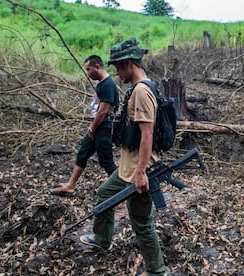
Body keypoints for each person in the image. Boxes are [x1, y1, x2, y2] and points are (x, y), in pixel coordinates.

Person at [79, 38, 167, 276]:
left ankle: (157, 271)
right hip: (127, 168)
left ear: (129, 64)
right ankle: (101, 238)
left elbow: (147, 134)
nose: (117, 73)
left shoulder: (141, 91)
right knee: (104, 194)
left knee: (141, 222)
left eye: (119, 67)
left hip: (140, 170)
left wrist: (140, 173)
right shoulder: (140, 88)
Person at [50, 55, 119, 197]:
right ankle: (70, 185)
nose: (87, 73)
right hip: (97, 126)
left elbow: (103, 111)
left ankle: (122, 188)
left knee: (106, 160)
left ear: (97, 67)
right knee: (83, 153)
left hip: (104, 127)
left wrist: (92, 128)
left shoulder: (108, 84)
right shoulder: (102, 83)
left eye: (89, 69)